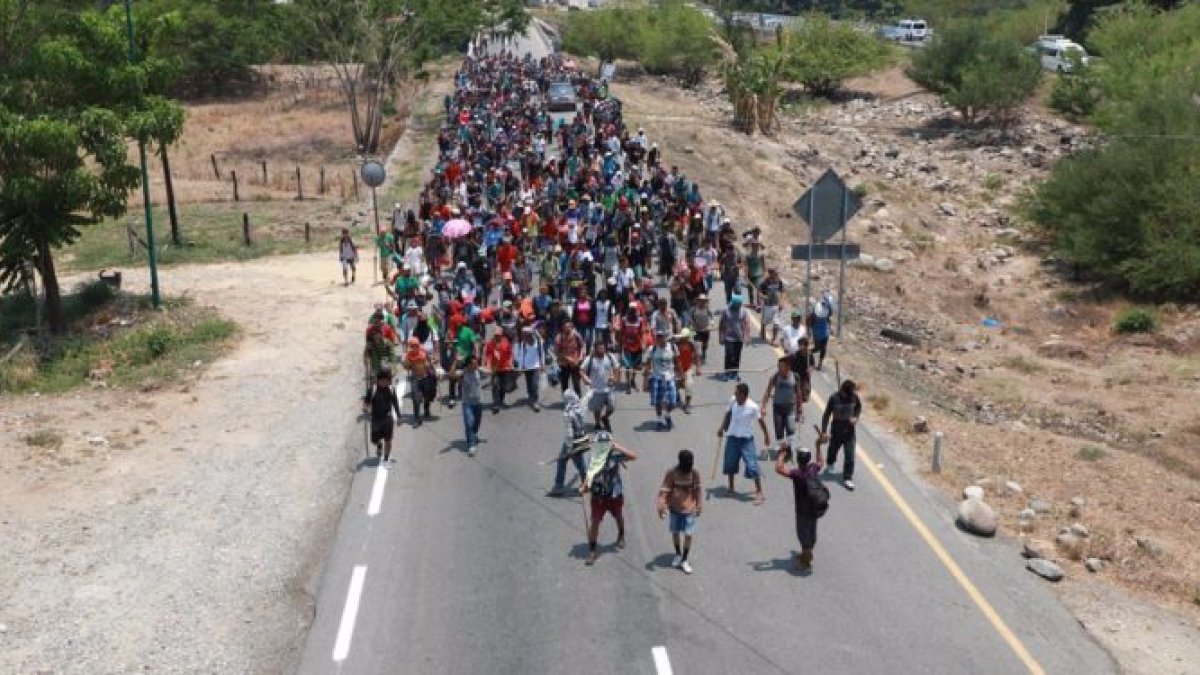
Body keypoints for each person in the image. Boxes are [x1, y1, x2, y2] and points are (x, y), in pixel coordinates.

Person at [581, 431, 639, 566]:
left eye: (605, 445)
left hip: (614, 493)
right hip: (598, 496)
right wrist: (584, 486)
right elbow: (589, 473)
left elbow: (634, 456)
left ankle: (621, 534)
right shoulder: (592, 457)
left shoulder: (615, 456)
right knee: (595, 522)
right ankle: (592, 550)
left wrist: (617, 447)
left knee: (618, 516)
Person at [775, 435, 829, 571]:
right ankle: (808, 551)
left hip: (802, 511)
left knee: (803, 535)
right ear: (808, 459)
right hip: (814, 509)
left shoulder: (797, 474)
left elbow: (779, 468)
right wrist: (818, 445)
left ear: (798, 460)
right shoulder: (813, 469)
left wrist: (782, 453)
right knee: (811, 532)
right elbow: (821, 462)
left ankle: (806, 560)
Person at [717, 382, 770, 504]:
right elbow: (728, 414)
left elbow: (761, 421)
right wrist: (721, 428)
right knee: (730, 463)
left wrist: (766, 435)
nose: (735, 395)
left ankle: (759, 492)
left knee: (752, 465)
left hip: (746, 440)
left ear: (744, 395)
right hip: (732, 437)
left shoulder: (753, 406)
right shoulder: (733, 400)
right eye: (735, 393)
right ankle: (731, 488)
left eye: (737, 393)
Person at [656, 448, 702, 575]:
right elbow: (664, 490)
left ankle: (685, 559)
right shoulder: (672, 473)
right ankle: (678, 554)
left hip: (689, 509)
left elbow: (698, 490)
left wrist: (699, 505)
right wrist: (661, 505)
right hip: (675, 509)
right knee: (675, 532)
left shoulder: (695, 473)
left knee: (688, 534)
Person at [821, 379, 863, 491]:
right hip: (836, 429)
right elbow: (826, 414)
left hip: (849, 431)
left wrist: (855, 417)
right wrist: (824, 431)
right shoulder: (834, 398)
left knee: (850, 455)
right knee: (833, 450)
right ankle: (830, 463)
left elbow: (858, 407)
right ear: (842, 391)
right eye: (848, 393)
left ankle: (847, 477)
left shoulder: (854, 397)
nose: (851, 396)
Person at [550, 390, 590, 497]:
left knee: (566, 461)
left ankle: (559, 486)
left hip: (573, 442)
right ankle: (586, 483)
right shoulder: (581, 405)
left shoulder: (568, 413)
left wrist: (568, 449)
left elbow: (569, 434)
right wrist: (591, 389)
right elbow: (587, 397)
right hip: (583, 437)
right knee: (580, 463)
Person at [761, 356, 802, 457]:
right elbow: (767, 391)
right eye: (778, 366)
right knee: (779, 431)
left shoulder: (795, 376)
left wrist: (800, 408)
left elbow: (799, 392)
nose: (779, 368)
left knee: (791, 430)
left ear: (788, 366)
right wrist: (763, 406)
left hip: (790, 408)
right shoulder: (775, 377)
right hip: (778, 409)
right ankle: (781, 450)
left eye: (781, 366)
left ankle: (789, 450)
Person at [362, 368, 402, 465]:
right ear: (378, 380)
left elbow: (395, 402)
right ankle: (379, 445)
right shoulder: (373, 390)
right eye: (382, 380)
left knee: (388, 440)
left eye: (387, 380)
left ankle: (386, 458)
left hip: (387, 419)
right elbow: (366, 402)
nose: (385, 382)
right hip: (375, 419)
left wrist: (399, 417)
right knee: (374, 440)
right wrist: (365, 408)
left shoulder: (391, 389)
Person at [644, 329, 679, 430]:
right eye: (658, 337)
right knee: (658, 402)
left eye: (662, 337)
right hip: (657, 378)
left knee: (673, 402)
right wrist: (645, 381)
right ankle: (659, 420)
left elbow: (677, 361)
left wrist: (681, 375)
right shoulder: (652, 349)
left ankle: (667, 415)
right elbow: (647, 364)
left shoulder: (672, 347)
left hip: (670, 378)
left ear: (665, 337)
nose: (660, 339)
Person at [581, 340, 619, 431]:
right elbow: (581, 370)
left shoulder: (610, 357)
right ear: (595, 349)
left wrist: (615, 379)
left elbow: (617, 367)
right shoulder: (590, 359)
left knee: (612, 407)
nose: (602, 350)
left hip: (609, 388)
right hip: (596, 389)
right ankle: (597, 423)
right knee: (597, 409)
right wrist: (585, 378)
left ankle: (605, 417)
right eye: (600, 348)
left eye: (603, 348)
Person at [451, 354, 484, 456]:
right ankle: (471, 445)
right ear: (468, 365)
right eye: (474, 364)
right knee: (469, 423)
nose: (476, 366)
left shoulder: (479, 371)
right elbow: (452, 374)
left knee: (476, 423)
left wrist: (496, 360)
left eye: (476, 364)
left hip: (479, 402)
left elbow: (492, 371)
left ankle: (474, 435)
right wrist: (455, 362)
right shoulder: (463, 373)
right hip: (467, 403)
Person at [401, 337, 437, 425]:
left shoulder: (423, 353)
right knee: (415, 399)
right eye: (412, 346)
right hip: (415, 379)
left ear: (418, 346)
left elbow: (431, 362)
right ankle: (417, 418)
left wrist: (433, 366)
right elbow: (405, 366)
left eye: (415, 346)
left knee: (427, 395)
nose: (413, 348)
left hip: (425, 377)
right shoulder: (409, 355)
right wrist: (408, 362)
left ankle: (426, 408)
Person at [717, 295, 749, 381]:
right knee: (729, 355)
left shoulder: (743, 312)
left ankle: (735, 373)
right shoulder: (726, 311)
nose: (737, 306)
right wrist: (720, 336)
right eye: (736, 304)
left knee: (737, 356)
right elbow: (721, 324)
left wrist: (746, 336)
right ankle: (727, 373)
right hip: (728, 337)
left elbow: (746, 325)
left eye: (739, 304)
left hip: (739, 338)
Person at [514, 326, 545, 412]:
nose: (524, 336)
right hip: (526, 366)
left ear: (530, 335)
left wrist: (542, 365)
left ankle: (535, 401)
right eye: (524, 335)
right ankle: (531, 396)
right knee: (529, 383)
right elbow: (521, 356)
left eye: (526, 335)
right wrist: (520, 367)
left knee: (534, 383)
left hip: (536, 366)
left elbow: (542, 353)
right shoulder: (523, 344)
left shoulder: (538, 342)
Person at [484, 329, 514, 414]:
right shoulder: (490, 343)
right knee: (495, 385)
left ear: (501, 335)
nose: (497, 336)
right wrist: (488, 366)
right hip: (495, 369)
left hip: (504, 368)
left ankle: (501, 400)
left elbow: (510, 354)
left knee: (503, 386)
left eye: (498, 335)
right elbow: (488, 356)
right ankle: (495, 404)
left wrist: (510, 364)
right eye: (495, 335)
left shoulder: (506, 342)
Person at [554, 319, 586, 397]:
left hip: (575, 363)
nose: (568, 328)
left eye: (569, 326)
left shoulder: (576, 335)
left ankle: (578, 399)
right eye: (566, 327)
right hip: (564, 364)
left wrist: (581, 357)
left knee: (576, 383)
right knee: (564, 384)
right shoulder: (559, 337)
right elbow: (556, 352)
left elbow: (582, 346)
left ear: (572, 326)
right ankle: (566, 400)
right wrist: (567, 358)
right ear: (562, 327)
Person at [675, 328, 700, 413]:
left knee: (689, 386)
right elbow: (674, 359)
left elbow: (696, 356)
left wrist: (698, 368)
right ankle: (676, 395)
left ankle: (687, 404)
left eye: (687, 337)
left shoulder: (692, 345)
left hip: (688, 368)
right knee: (675, 385)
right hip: (677, 369)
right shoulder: (676, 345)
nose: (685, 338)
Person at [758, 267, 785, 344]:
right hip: (767, 305)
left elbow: (782, 291)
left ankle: (774, 339)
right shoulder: (765, 282)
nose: (776, 274)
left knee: (776, 323)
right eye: (775, 273)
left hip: (776, 305)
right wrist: (763, 296)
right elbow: (759, 292)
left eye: (777, 273)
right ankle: (762, 330)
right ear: (770, 273)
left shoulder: (779, 281)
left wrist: (781, 302)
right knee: (765, 321)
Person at [807, 297, 832, 370]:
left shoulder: (828, 309)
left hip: (825, 331)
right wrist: (808, 331)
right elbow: (809, 320)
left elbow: (828, 317)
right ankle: (809, 352)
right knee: (817, 348)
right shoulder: (815, 309)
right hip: (816, 331)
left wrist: (829, 326)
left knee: (823, 348)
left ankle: (820, 364)